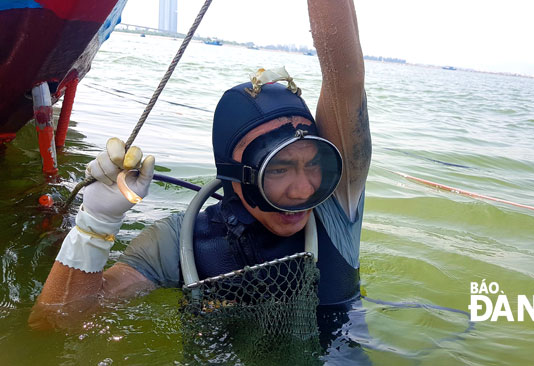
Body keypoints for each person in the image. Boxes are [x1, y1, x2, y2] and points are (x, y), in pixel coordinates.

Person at [29, 0, 370, 352]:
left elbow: (345, 77)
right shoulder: (182, 241)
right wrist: (95, 225)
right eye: (278, 169)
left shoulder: (333, 206)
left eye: (313, 164)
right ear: (233, 171)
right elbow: (55, 326)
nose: (303, 190)